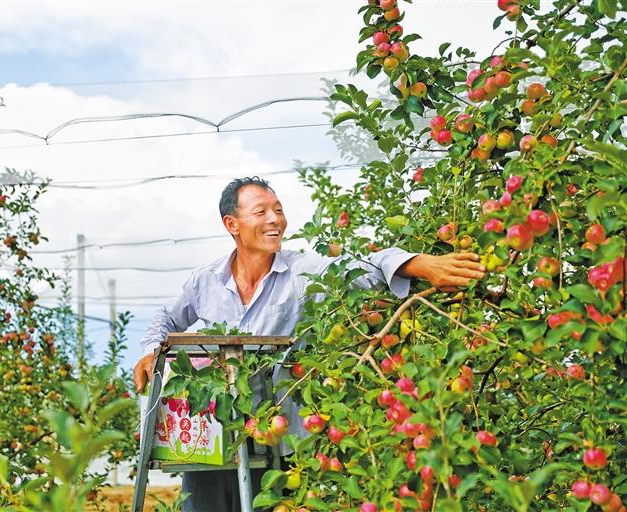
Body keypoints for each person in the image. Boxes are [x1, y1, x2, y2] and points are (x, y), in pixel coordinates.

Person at [134, 176, 485, 511]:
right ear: (232, 224)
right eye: (261, 212)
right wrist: (151, 353)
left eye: (279, 209)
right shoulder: (205, 281)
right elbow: (166, 319)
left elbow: (358, 268)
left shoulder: (300, 271)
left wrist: (419, 264)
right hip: (213, 436)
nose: (276, 220)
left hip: (275, 443)